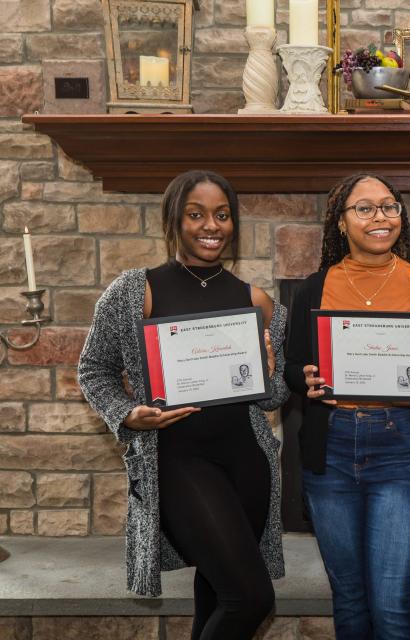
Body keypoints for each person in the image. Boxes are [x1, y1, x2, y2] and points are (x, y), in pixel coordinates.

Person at [78, 170, 289, 639]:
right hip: (177, 459)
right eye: (196, 214)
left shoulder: (257, 300)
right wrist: (128, 413)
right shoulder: (135, 292)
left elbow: (274, 398)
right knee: (251, 598)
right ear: (174, 219)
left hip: (247, 462)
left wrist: (271, 370)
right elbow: (94, 370)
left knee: (217, 595)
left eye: (221, 215)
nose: (210, 226)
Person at [285, 173, 410, 640]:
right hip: (330, 452)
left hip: (400, 446)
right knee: (348, 601)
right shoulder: (313, 288)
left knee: (391, 604)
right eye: (364, 208)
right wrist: (302, 378)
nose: (380, 217)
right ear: (341, 223)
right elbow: (291, 367)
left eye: (389, 207)